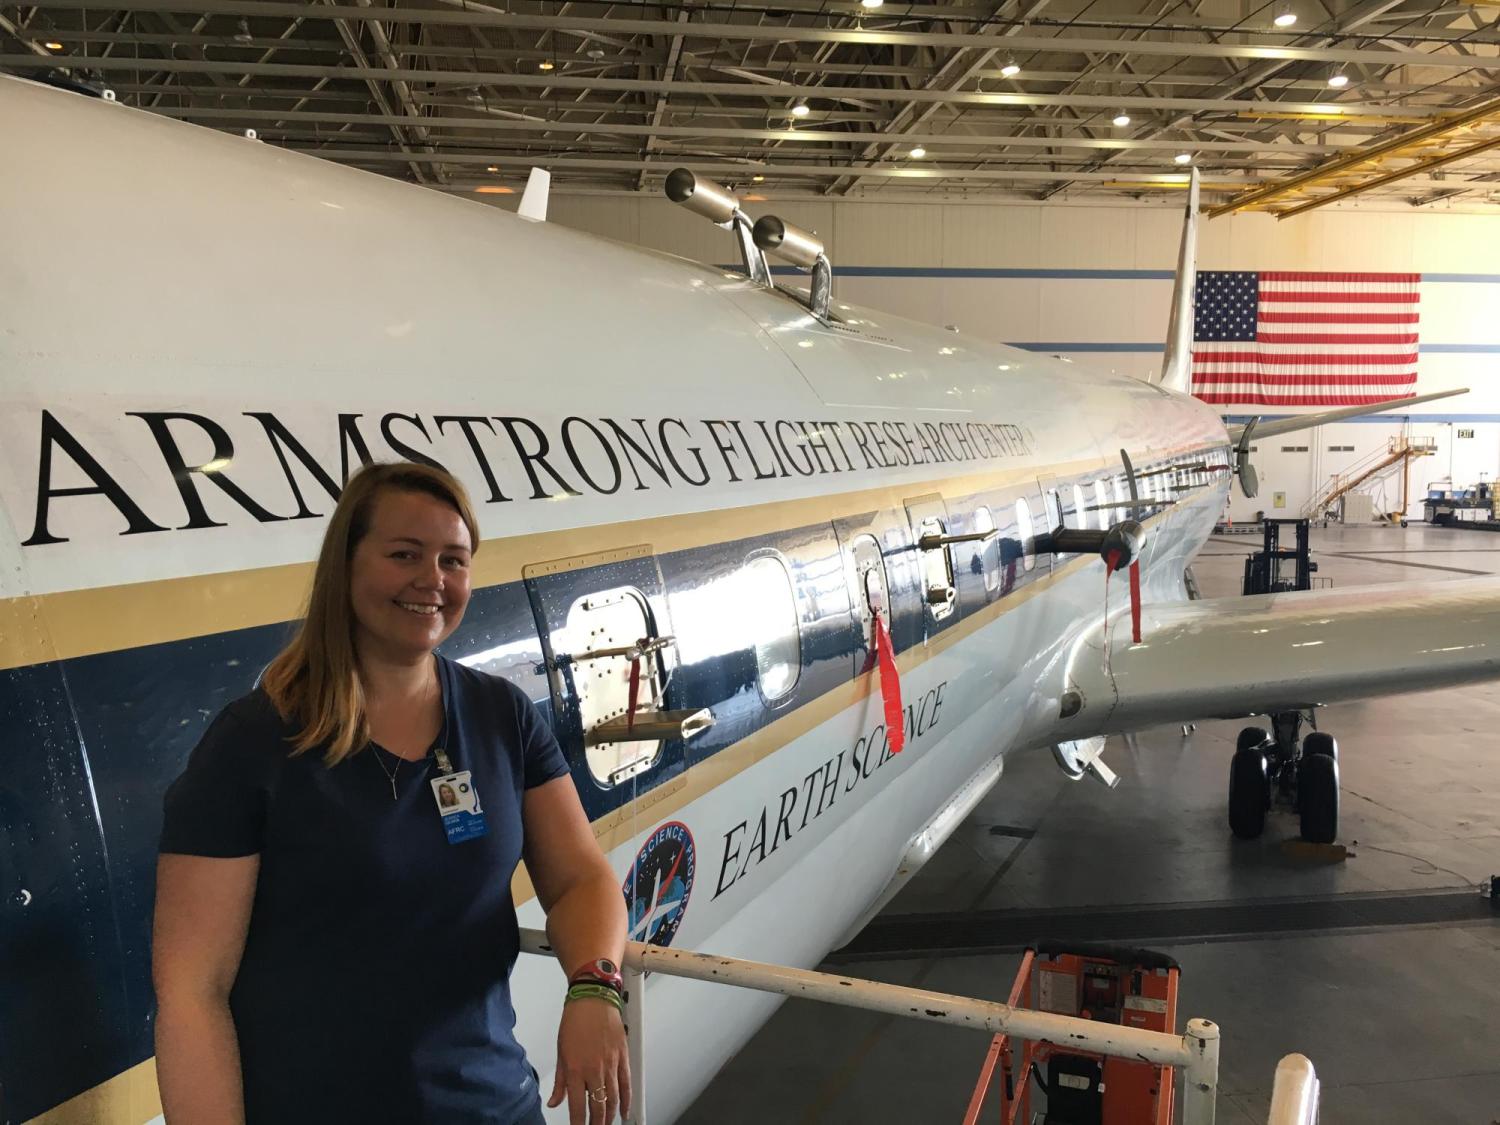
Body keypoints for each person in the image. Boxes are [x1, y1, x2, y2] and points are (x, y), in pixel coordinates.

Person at [152, 462, 630, 1125]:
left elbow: (580, 877)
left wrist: (594, 985)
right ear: (345, 566)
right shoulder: (255, 743)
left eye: (452, 560)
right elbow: (192, 990)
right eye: (404, 554)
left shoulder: (501, 715)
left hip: (492, 1105)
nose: (432, 579)